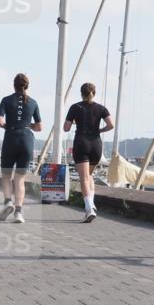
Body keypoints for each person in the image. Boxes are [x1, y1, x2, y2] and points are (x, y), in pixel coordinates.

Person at [63, 83, 114, 223]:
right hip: (96, 144)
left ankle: (89, 207)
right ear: (94, 93)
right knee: (89, 176)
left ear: (81, 93)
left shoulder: (75, 107)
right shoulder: (101, 108)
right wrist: (100, 130)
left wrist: (74, 121)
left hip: (82, 143)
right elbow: (111, 125)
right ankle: (91, 204)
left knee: (84, 178)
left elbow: (66, 128)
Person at [0, 73, 42, 224]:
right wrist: (28, 125)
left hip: (11, 138)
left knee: (6, 175)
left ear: (14, 85)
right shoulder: (33, 102)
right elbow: (39, 127)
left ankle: (8, 201)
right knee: (20, 179)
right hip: (27, 140)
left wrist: (7, 126)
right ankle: (19, 213)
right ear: (27, 86)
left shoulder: (6, 100)